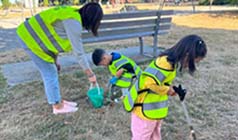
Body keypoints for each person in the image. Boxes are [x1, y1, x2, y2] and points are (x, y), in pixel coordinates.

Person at [16, 2, 103, 114]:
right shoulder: (74, 23)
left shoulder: (71, 14)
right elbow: (79, 54)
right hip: (29, 39)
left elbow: (52, 39)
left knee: (52, 69)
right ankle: (57, 106)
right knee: (49, 73)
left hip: (30, 36)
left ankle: (58, 100)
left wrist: (55, 61)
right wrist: (90, 74)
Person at [122, 34, 207, 140]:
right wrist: (167, 90)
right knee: (142, 136)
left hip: (154, 109)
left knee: (155, 135)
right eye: (194, 61)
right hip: (143, 109)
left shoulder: (172, 63)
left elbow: (161, 82)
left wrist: (173, 89)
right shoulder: (165, 63)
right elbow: (149, 83)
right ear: (187, 55)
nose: (193, 64)